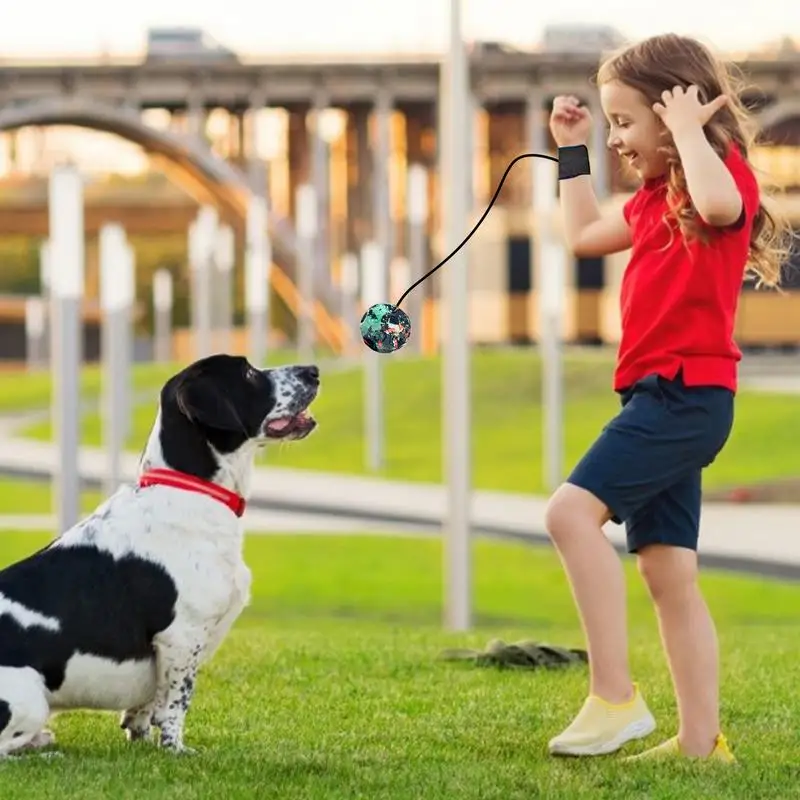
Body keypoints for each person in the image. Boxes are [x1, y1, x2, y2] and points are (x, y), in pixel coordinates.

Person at [544, 33, 793, 762]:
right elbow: (586, 233)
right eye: (609, 123)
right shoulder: (653, 201)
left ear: (672, 112)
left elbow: (718, 206)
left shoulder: (723, 180)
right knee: (666, 571)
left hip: (686, 396)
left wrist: (689, 131)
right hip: (653, 396)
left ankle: (614, 698)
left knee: (568, 514)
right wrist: (572, 150)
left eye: (623, 122)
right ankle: (698, 742)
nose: (617, 137)